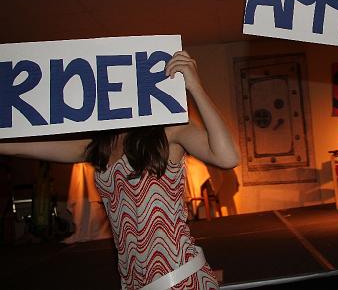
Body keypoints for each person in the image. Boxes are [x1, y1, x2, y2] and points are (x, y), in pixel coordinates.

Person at [0, 51, 239, 290]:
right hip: (132, 282)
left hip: (179, 278)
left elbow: (227, 157)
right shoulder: (101, 145)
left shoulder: (169, 132)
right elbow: (22, 147)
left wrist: (196, 88)